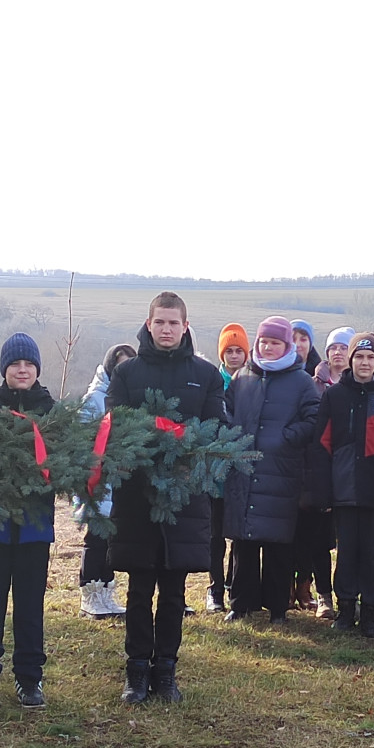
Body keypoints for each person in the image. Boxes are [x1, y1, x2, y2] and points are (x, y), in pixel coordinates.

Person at [107, 292, 224, 703]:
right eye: (161, 322)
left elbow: (216, 430)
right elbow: (115, 426)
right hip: (137, 498)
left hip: (184, 498)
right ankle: (136, 671)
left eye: (175, 323)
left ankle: (166, 671)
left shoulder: (206, 376)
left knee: (174, 592)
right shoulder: (126, 374)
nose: (167, 330)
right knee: (139, 589)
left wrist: (185, 445)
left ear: (185, 326)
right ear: (149, 323)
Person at [0, 334, 56, 709]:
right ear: (4, 370)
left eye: (29, 365)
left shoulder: (52, 412)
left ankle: (29, 679)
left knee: (30, 604)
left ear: (37, 369)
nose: (23, 370)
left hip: (35, 526)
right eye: (16, 364)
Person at [312, 333, 374, 638]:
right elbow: (322, 446)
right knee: (345, 553)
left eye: (370, 358)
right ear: (350, 361)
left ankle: (370, 610)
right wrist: (323, 491)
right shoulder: (335, 396)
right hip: (342, 490)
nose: (365, 363)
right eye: (359, 357)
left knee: (369, 552)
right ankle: (345, 609)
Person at [223, 317, 320, 623]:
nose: (268, 347)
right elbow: (225, 412)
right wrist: (234, 438)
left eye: (275, 342)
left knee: (279, 545)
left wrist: (285, 438)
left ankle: (278, 608)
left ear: (287, 346)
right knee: (244, 543)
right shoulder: (243, 377)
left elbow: (314, 418)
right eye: (264, 341)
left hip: (282, 471)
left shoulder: (302, 381)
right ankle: (240, 604)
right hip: (245, 470)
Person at [77, 343, 136, 619]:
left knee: (113, 540)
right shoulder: (94, 400)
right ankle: (90, 593)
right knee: (97, 538)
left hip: (121, 482)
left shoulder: (132, 397)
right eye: (119, 365)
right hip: (98, 480)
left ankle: (107, 593)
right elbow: (83, 442)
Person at [206, 323, 251, 612]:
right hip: (216, 472)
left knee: (239, 534)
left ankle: (236, 586)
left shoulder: (253, 382)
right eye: (229, 351)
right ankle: (215, 588)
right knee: (215, 535)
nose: (234, 356)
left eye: (239, 350)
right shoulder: (214, 382)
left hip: (244, 470)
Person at [314, 326, 354, 394]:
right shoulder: (313, 384)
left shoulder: (359, 383)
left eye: (344, 348)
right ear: (327, 352)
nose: (337, 352)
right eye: (333, 348)